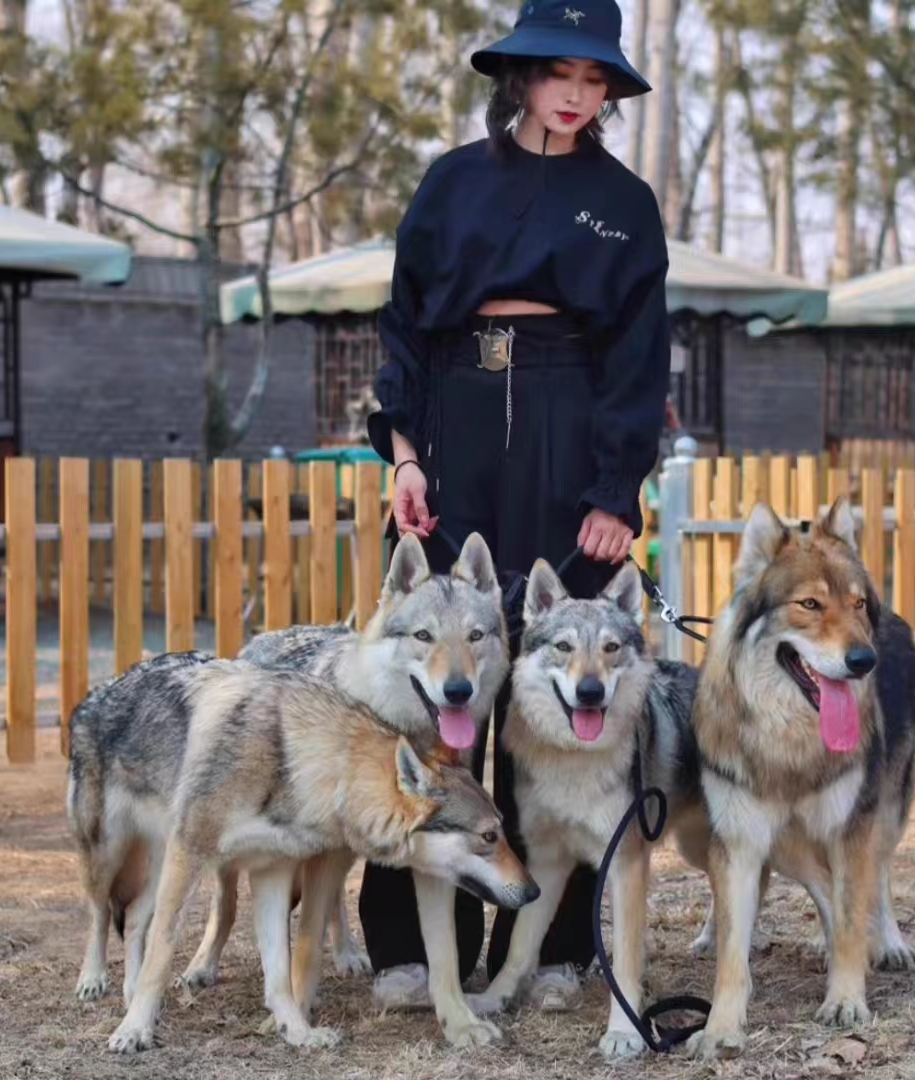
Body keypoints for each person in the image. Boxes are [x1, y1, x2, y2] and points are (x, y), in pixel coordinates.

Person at [362, 0, 671, 1007]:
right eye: (561, 75)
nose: (578, 96)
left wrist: (616, 489)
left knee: (548, 701)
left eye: (596, 81)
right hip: (452, 410)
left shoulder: (624, 204)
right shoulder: (452, 180)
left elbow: (638, 355)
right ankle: (405, 937)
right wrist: (405, 453)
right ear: (522, 76)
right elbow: (404, 323)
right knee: (427, 693)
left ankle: (555, 945)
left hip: (566, 413)